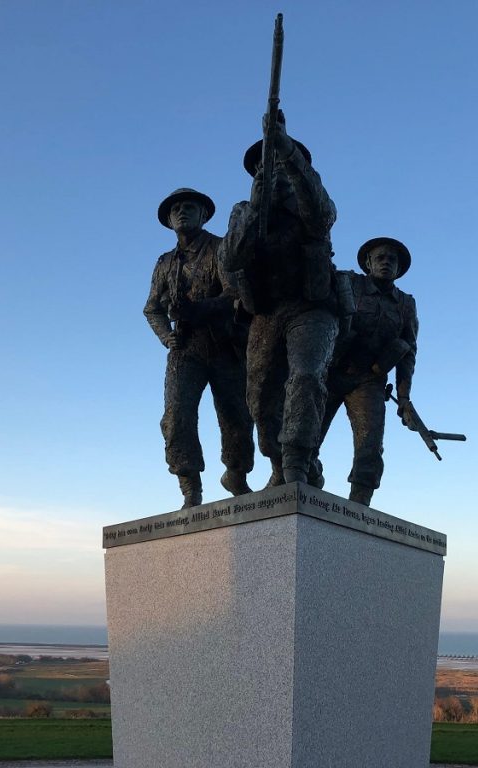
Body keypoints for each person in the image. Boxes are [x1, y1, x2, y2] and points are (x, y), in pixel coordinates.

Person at [218, 114, 347, 486]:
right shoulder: (244, 211)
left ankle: (297, 462)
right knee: (258, 398)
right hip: (267, 312)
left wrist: (286, 148)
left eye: (277, 162)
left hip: (311, 309)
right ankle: (280, 461)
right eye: (262, 164)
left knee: (305, 377)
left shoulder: (309, 204)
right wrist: (258, 208)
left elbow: (324, 215)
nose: (268, 168)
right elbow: (230, 259)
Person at [144, 188, 254, 508]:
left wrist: (200, 309)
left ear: (204, 215)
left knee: (236, 417)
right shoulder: (165, 263)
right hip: (186, 348)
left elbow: (236, 294)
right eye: (175, 209)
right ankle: (190, 486)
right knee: (176, 416)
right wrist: (166, 336)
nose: (181, 212)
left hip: (225, 344)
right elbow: (151, 308)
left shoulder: (221, 249)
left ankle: (237, 475)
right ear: (168, 220)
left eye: (189, 207)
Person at [311, 237, 419, 505]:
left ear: (399, 268)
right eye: (380, 258)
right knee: (307, 435)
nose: (386, 262)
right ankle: (309, 480)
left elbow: (409, 353)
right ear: (368, 263)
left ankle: (360, 505)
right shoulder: (347, 282)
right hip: (331, 371)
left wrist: (404, 398)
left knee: (370, 443)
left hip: (369, 380)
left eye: (392, 260)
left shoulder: (405, 304)